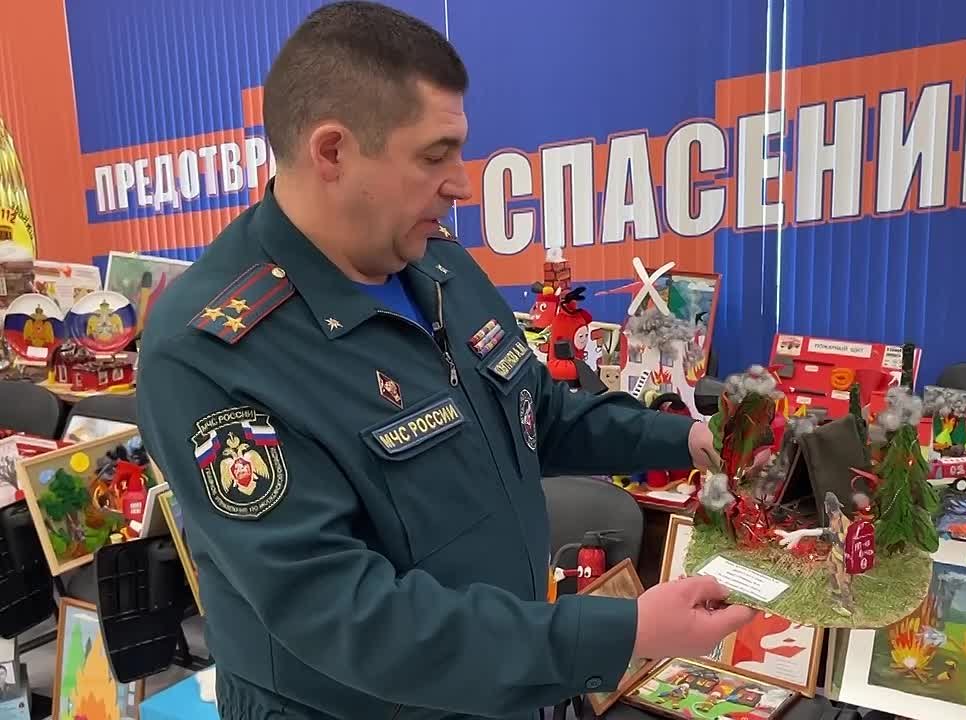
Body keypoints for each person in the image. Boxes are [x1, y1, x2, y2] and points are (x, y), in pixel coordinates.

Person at [134, 3, 754, 719]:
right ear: (332, 153)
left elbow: (538, 415)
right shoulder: (211, 351)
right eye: (435, 156)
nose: (462, 183)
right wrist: (623, 633)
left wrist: (690, 439)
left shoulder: (437, 266)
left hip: (504, 681)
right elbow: (343, 613)